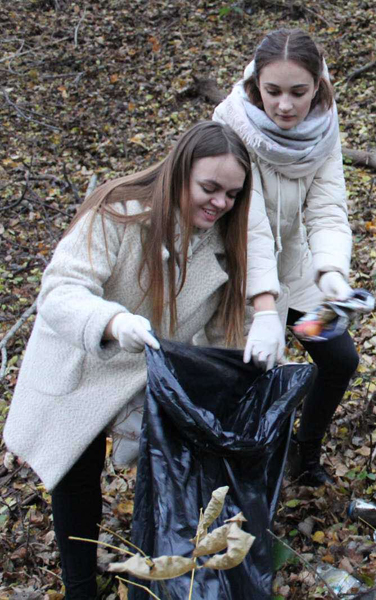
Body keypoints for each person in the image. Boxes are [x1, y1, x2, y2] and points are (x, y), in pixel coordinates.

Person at [2, 121, 252, 599]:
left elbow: (223, 331)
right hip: (81, 360)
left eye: (232, 194)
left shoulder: (223, 242)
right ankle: (80, 587)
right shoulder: (120, 211)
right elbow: (60, 291)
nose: (220, 202)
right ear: (179, 173)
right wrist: (113, 323)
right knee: (76, 470)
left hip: (138, 377)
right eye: (209, 188)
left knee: (173, 470)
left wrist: (246, 364)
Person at [213, 28, 359, 487]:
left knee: (339, 359)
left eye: (298, 92)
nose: (284, 105)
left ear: (319, 86)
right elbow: (249, 227)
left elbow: (328, 208)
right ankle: (247, 482)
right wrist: (263, 309)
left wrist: (332, 271)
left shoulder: (324, 128)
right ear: (257, 85)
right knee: (251, 378)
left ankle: (306, 452)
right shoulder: (230, 127)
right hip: (240, 283)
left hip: (297, 277)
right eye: (273, 91)